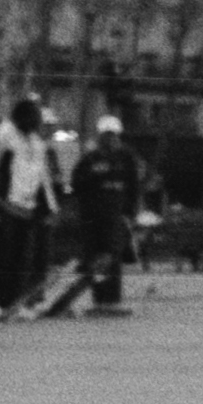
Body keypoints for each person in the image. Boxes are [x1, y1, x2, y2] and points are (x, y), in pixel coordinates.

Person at [0, 96, 58, 321]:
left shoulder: (35, 142)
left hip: (26, 208)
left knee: (21, 260)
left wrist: (50, 208)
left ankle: (12, 302)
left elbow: (43, 178)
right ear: (22, 117)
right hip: (3, 206)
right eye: (36, 118)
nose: (39, 123)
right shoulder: (2, 137)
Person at [61, 116, 141, 316]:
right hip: (92, 215)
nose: (110, 139)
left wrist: (130, 212)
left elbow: (134, 186)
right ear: (100, 137)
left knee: (112, 255)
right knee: (94, 256)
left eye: (113, 135)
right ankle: (99, 299)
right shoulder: (89, 159)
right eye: (106, 135)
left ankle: (112, 300)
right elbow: (76, 184)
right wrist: (94, 175)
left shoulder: (127, 158)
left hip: (115, 215)